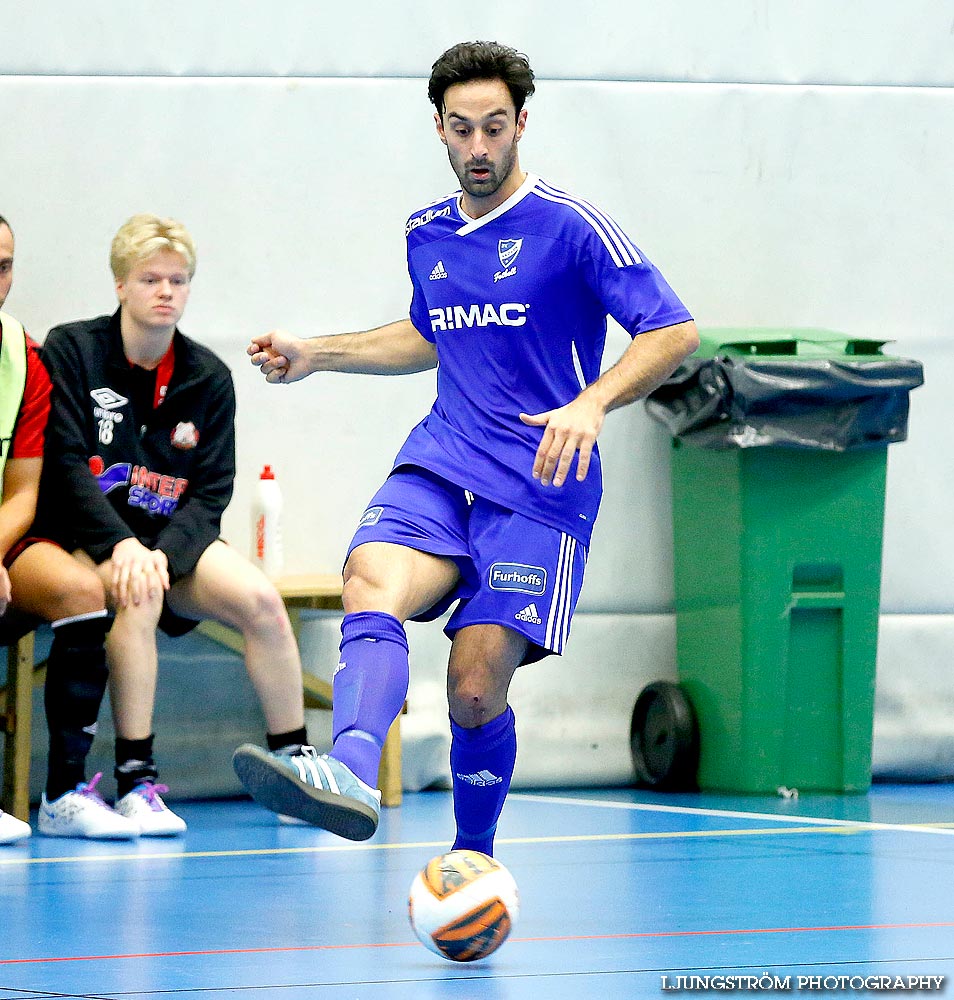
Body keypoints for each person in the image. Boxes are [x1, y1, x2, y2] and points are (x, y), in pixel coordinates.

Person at [234, 41, 699, 850]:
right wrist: (320, 353)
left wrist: (593, 403)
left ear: (522, 123)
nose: (478, 148)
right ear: (439, 130)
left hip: (541, 485)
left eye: (494, 128)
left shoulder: (570, 226)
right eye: (461, 129)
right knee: (370, 576)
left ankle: (471, 858)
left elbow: (674, 329)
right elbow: (430, 331)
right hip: (444, 460)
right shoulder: (427, 232)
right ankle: (346, 768)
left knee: (475, 689)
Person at [35, 213, 311, 839]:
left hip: (166, 548)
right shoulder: (73, 350)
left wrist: (166, 551)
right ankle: (136, 782)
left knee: (262, 601)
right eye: (150, 279)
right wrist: (123, 545)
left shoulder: (208, 377)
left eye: (178, 280)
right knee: (138, 591)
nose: (166, 292)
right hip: (89, 539)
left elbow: (211, 491)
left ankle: (297, 767)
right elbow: (66, 467)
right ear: (120, 286)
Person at [0, 214, 136, 843]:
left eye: (5, 266)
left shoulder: (20, 355)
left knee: (84, 591)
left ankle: (61, 797)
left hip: (4, 533)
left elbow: (24, 493)